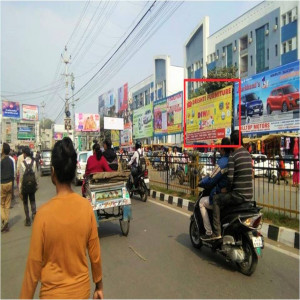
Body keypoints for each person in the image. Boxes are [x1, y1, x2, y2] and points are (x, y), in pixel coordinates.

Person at [20, 137, 104, 299]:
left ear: (53, 172)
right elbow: (95, 254)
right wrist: (99, 286)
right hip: (81, 293)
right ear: (73, 172)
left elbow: (32, 271)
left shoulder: (43, 216)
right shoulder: (86, 208)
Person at [207, 130, 253, 240]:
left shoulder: (233, 156)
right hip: (249, 194)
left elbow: (230, 179)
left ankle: (217, 232)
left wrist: (226, 189)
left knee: (217, 199)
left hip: (238, 195)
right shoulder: (248, 154)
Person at [198, 138, 231, 240]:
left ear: (223, 148)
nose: (219, 149)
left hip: (221, 194)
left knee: (201, 202)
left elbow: (212, 178)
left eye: (220, 147)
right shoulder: (233, 158)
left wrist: (201, 182)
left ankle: (209, 232)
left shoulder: (223, 162)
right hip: (231, 194)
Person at [19, 147, 38, 226]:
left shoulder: (22, 163)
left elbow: (21, 178)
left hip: (25, 186)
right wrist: (36, 184)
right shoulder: (33, 162)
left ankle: (27, 219)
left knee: (25, 202)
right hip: (32, 185)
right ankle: (34, 215)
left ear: (25, 154)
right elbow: (36, 175)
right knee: (32, 200)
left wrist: (20, 188)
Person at [1, 143, 14, 232]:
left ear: (3, 151)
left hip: (2, 184)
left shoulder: (1, 161)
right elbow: (13, 173)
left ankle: (5, 220)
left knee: (1, 204)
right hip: (10, 183)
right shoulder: (11, 161)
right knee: (7, 204)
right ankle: (6, 221)